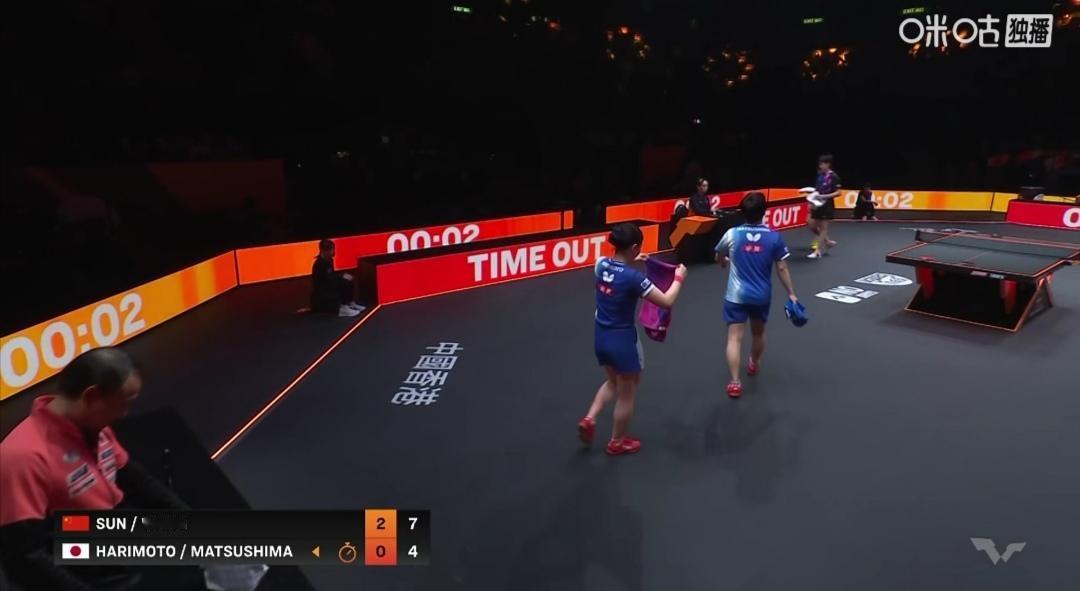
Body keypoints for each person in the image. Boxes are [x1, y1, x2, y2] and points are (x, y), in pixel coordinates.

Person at [0, 348, 193, 590]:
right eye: (123, 404)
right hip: (80, 566)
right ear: (91, 396)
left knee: (229, 541)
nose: (125, 414)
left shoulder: (94, 427)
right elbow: (25, 558)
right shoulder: (23, 457)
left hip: (110, 541)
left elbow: (138, 482)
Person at [577, 223, 687, 456]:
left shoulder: (600, 264)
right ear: (635, 247)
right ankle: (617, 442)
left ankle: (590, 418)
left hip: (601, 337)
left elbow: (615, 268)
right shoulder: (634, 279)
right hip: (622, 342)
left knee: (612, 383)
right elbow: (666, 301)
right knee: (627, 393)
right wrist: (679, 278)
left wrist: (634, 259)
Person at [714, 192, 800, 397]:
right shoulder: (774, 237)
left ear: (743, 212)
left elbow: (718, 255)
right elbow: (782, 268)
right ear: (764, 212)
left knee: (734, 339)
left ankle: (735, 382)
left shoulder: (732, 234)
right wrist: (791, 294)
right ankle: (753, 362)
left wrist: (723, 262)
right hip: (761, 296)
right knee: (758, 334)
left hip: (736, 296)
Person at [311, 238, 365, 317]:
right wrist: (341, 277)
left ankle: (350, 303)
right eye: (331, 250)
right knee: (343, 281)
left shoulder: (329, 260)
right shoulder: (319, 264)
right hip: (322, 290)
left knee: (348, 278)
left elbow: (332, 275)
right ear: (324, 251)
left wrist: (342, 276)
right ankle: (342, 308)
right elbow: (326, 280)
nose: (333, 252)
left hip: (329, 283)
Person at [808, 154, 842, 259]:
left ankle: (817, 251)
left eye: (822, 164)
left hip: (827, 205)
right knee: (812, 225)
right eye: (819, 164)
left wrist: (824, 196)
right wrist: (812, 202)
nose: (820, 166)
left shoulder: (834, 177)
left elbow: (839, 192)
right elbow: (816, 190)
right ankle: (827, 241)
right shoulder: (820, 176)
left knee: (823, 228)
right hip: (817, 204)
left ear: (828, 164)